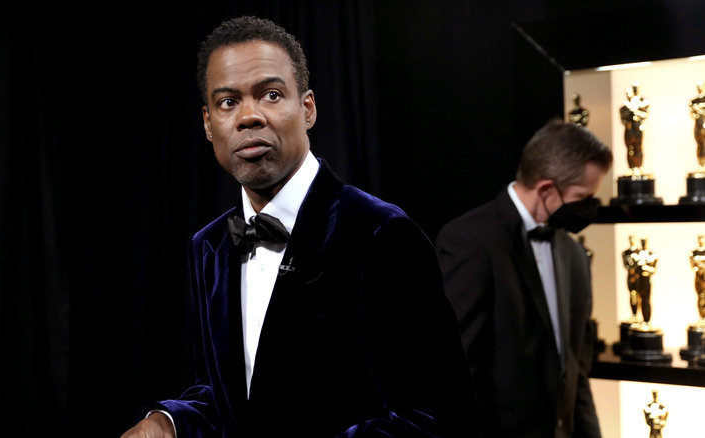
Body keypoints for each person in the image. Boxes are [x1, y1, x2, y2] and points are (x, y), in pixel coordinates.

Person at [119, 16, 480, 438]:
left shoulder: (380, 233)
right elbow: (237, 401)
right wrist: (169, 423)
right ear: (207, 122)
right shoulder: (210, 246)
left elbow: (439, 418)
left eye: (270, 95)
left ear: (307, 108)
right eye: (228, 102)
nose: (248, 117)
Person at [435, 118, 613, 437]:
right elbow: (453, 371)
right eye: (583, 197)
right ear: (546, 189)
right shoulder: (470, 241)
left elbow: (575, 370)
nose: (590, 208)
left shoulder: (572, 252)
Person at [619, 82, 649, 173]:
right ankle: (631, 167)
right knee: (630, 148)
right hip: (629, 128)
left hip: (637, 127)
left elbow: (644, 114)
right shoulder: (625, 106)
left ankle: (639, 166)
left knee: (638, 147)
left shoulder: (642, 102)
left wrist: (635, 113)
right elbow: (623, 119)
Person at [689, 81, 705, 169]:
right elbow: (692, 114)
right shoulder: (693, 101)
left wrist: (700, 111)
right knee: (700, 145)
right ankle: (701, 164)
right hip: (698, 125)